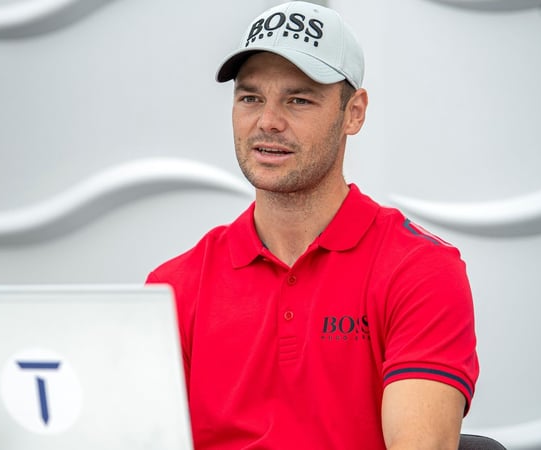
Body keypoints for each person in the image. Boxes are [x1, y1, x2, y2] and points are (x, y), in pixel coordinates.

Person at [146, 2, 480, 449]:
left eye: (298, 99)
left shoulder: (419, 271)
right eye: (250, 97)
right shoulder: (174, 287)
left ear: (354, 113)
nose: (268, 122)